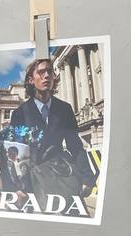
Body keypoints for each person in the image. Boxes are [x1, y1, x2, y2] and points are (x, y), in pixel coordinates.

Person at [9, 58, 96, 196]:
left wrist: (87, 178)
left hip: (60, 176)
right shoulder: (19, 113)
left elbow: (75, 145)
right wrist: (15, 186)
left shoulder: (65, 109)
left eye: (50, 72)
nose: (47, 75)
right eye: (41, 72)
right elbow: (12, 152)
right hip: (31, 182)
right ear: (31, 80)